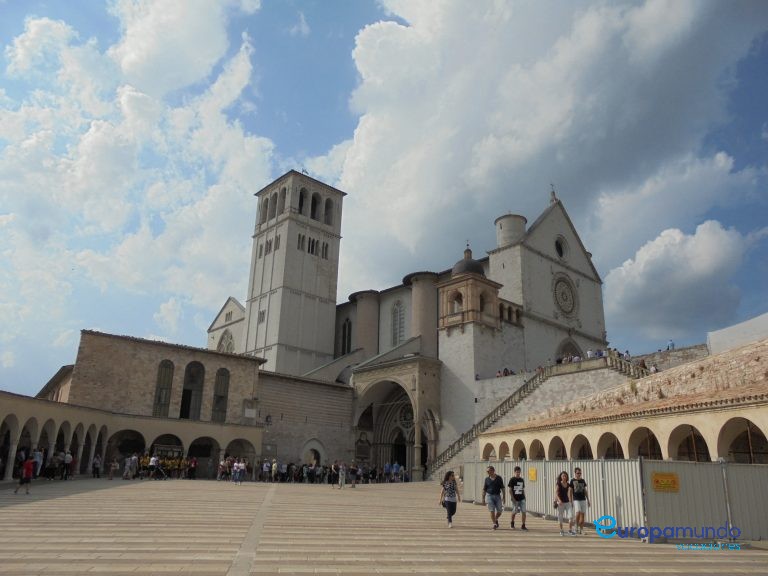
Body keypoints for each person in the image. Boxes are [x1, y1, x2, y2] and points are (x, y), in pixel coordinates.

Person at [482, 466, 505, 530]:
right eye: (487, 471)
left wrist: (504, 497)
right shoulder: (487, 479)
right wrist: (483, 499)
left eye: (488, 471)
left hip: (497, 496)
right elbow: (484, 489)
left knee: (500, 511)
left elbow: (503, 488)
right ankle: (494, 524)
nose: (487, 472)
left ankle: (495, 519)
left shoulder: (499, 478)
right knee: (492, 510)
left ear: (493, 471)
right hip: (489, 496)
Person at [570, 468, 590, 534]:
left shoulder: (582, 481)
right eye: (578, 473)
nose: (579, 474)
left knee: (582, 515)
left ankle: (581, 529)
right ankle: (576, 526)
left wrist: (588, 500)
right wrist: (571, 500)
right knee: (577, 512)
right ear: (575, 473)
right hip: (576, 499)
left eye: (580, 473)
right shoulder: (572, 480)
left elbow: (585, 490)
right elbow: (570, 491)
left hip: (583, 499)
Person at [508, 466, 527, 530]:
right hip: (515, 499)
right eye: (517, 472)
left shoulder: (521, 480)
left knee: (524, 512)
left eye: (519, 472)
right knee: (514, 512)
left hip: (522, 498)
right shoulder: (512, 479)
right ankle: (512, 523)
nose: (518, 473)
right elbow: (510, 490)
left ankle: (523, 525)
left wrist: (525, 497)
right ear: (514, 472)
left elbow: (522, 489)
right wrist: (512, 498)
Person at [555, 471, 575, 536]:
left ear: (567, 477)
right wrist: (559, 500)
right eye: (563, 476)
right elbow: (556, 494)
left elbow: (570, 494)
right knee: (560, 517)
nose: (564, 477)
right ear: (561, 477)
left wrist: (571, 501)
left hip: (567, 502)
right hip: (561, 503)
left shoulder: (568, 484)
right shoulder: (558, 484)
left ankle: (570, 530)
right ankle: (561, 530)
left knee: (571, 516)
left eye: (565, 476)